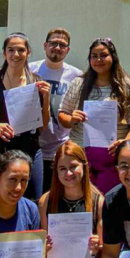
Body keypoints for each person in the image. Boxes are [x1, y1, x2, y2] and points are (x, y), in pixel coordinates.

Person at [58, 37, 130, 194]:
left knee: (108, 205)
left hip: (113, 159)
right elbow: (62, 114)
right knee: (84, 203)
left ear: (113, 57)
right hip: (81, 158)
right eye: (94, 56)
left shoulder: (129, 86)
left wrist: (127, 141)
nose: (98, 60)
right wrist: (71, 119)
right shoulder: (78, 84)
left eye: (103, 55)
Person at [0, 33, 50, 202]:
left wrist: (46, 98)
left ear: (28, 53)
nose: (16, 54)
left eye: (21, 50)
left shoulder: (36, 82)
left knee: (33, 200)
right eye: (11, 50)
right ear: (4, 53)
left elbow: (43, 127)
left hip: (29, 149)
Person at [29, 28, 81, 193]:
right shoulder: (30, 70)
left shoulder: (76, 75)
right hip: (33, 146)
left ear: (68, 50)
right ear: (45, 45)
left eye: (62, 45)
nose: (57, 48)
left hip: (61, 148)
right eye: (53, 43)